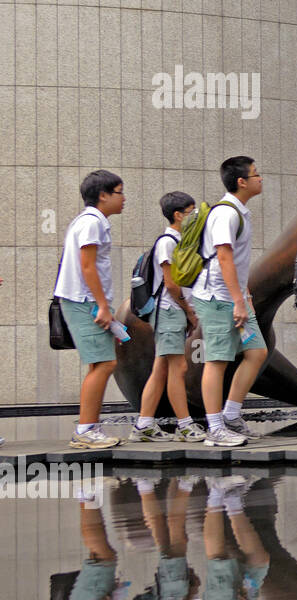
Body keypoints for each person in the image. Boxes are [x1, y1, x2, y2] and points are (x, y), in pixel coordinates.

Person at [192, 156, 268, 448]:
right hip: (217, 298)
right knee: (218, 360)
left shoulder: (239, 211)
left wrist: (243, 294)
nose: (260, 178)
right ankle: (215, 428)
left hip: (234, 296)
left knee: (256, 352)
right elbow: (223, 257)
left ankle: (232, 415)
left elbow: (235, 260)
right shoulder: (225, 213)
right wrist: (238, 300)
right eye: (256, 174)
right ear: (242, 182)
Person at [54, 171, 127, 449]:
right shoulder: (92, 223)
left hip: (83, 300)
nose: (124, 198)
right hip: (84, 301)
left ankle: (90, 427)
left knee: (101, 363)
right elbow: (88, 266)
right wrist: (102, 306)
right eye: (119, 192)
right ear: (103, 195)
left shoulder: (90, 222)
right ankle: (85, 430)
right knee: (105, 363)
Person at [133, 192, 203, 443]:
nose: (196, 217)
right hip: (168, 311)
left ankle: (144, 424)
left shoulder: (179, 240)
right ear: (178, 215)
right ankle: (185, 425)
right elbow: (171, 284)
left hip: (172, 311)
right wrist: (188, 310)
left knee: (161, 368)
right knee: (178, 367)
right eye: (192, 212)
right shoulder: (168, 242)